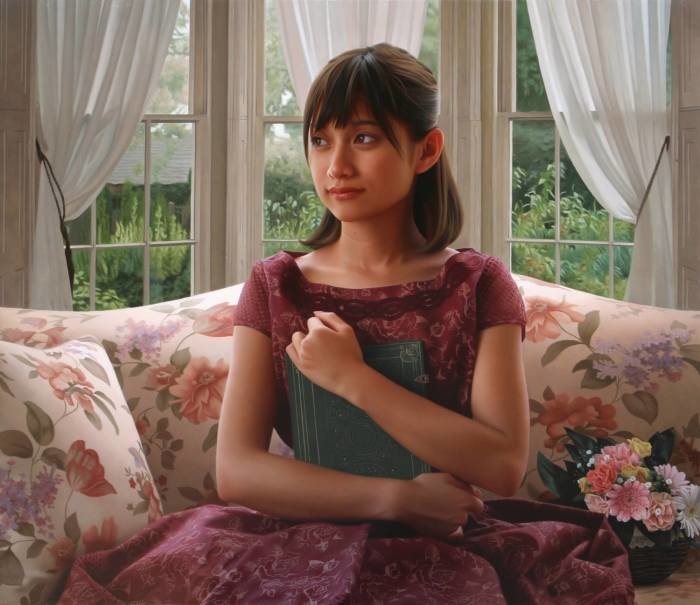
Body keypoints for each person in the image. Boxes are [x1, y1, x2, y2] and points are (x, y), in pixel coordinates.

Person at [58, 43, 634, 604]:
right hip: (296, 539)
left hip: (445, 545)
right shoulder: (276, 286)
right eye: (320, 140)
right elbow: (238, 472)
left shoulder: (477, 284)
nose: (336, 166)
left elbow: (501, 464)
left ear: (426, 150)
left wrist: (354, 379)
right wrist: (396, 499)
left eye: (364, 138)